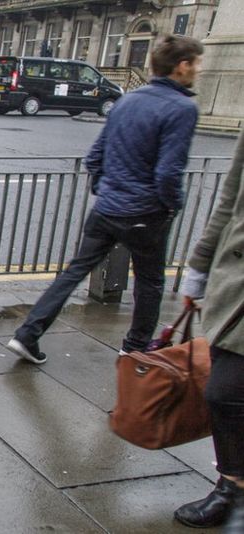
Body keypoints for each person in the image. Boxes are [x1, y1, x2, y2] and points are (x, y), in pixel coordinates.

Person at [6, 34, 204, 364]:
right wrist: (171, 205)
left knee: (73, 272)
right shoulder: (182, 108)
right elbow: (169, 172)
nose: (199, 70)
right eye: (197, 63)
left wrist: (106, 189)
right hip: (145, 213)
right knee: (150, 283)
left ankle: (28, 334)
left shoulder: (127, 101)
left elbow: (94, 156)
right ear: (182, 66)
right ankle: (135, 348)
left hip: (107, 208)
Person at [173, 131, 244, 532]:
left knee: (225, 393)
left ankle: (233, 487)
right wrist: (199, 266)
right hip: (233, 282)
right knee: (223, 386)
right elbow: (231, 197)